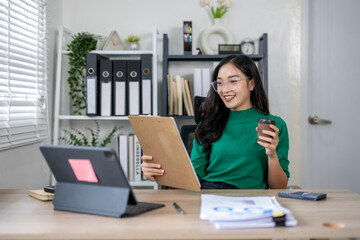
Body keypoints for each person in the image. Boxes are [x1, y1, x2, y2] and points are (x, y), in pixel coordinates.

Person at [141, 55, 289, 189]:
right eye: (220, 83)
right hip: (208, 194)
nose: (225, 90)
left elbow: (278, 187)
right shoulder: (208, 124)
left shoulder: (274, 126)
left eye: (233, 81)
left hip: (249, 200)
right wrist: (159, 173)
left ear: (251, 84)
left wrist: (272, 155)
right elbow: (194, 177)